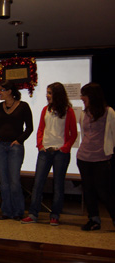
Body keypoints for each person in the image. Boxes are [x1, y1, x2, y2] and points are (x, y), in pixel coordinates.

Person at [21, 82, 77, 226]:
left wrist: (65, 147)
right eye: (47, 92)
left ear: (57, 94)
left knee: (58, 185)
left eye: (50, 93)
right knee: (38, 183)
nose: (47, 95)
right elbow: (40, 129)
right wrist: (40, 145)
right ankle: (33, 214)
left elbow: (73, 134)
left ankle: (55, 215)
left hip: (60, 153)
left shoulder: (68, 111)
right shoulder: (45, 109)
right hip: (45, 152)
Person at [0, 80, 33, 220]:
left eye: (1, 90)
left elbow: (29, 128)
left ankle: (18, 211)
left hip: (15, 147)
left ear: (9, 91)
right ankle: (6, 211)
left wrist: (19, 141)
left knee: (14, 180)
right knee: (4, 181)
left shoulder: (23, 106)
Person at [77, 83, 115, 231]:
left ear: (92, 96)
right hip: (83, 157)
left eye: (84, 95)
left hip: (101, 158)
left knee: (103, 191)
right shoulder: (83, 113)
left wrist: (108, 150)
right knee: (88, 190)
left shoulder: (108, 112)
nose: (81, 98)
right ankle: (93, 219)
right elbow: (84, 133)